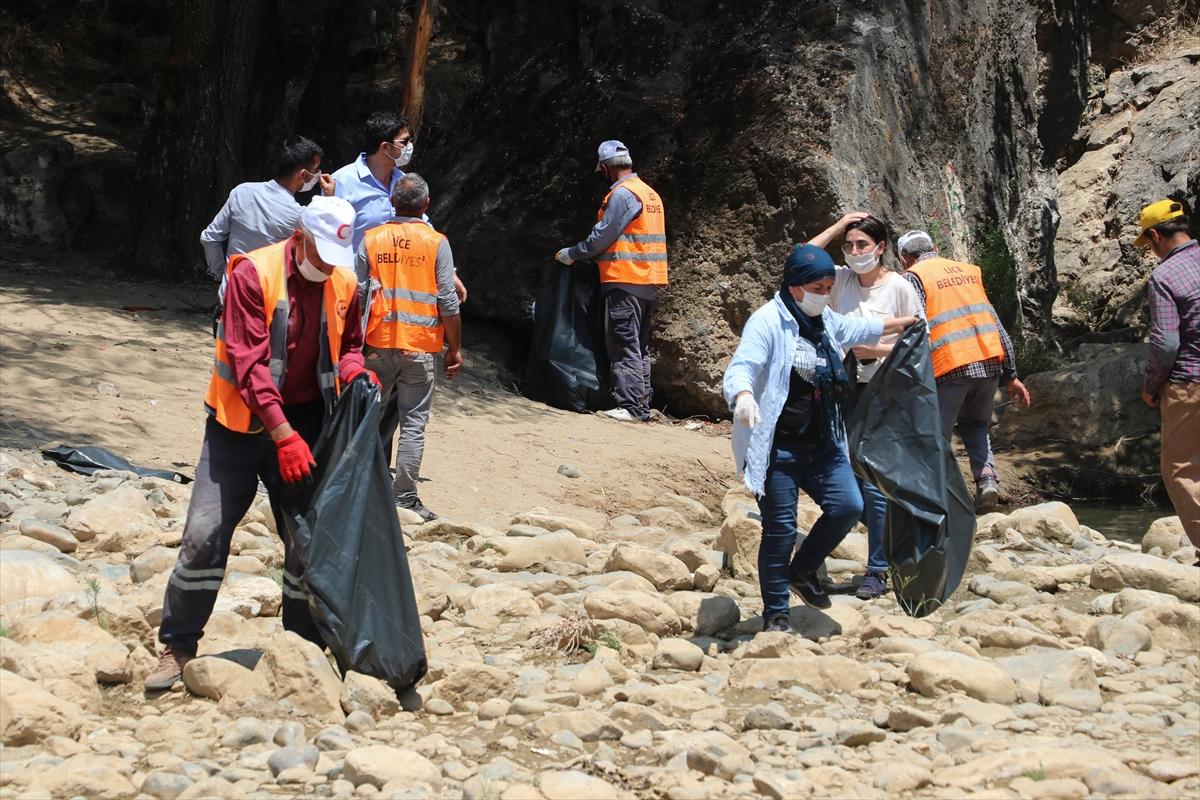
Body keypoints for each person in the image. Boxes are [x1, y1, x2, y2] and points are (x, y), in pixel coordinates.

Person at [146, 196, 376, 692]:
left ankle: (303, 648)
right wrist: (282, 434)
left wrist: (357, 373)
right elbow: (249, 366)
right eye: (318, 257)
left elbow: (352, 344)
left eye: (335, 260)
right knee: (204, 534)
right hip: (238, 427)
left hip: (307, 425)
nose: (326, 269)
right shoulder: (253, 273)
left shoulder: (344, 280)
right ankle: (178, 644)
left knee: (306, 544)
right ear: (299, 239)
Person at [722, 244, 918, 632]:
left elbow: (857, 328)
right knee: (780, 528)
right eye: (817, 285)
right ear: (795, 286)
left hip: (824, 443)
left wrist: (907, 322)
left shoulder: (825, 320)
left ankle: (803, 569)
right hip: (778, 447)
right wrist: (743, 397)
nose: (824, 293)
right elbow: (742, 365)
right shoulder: (768, 321)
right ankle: (776, 614)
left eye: (829, 286)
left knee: (848, 506)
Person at [811, 212, 922, 599]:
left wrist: (876, 348)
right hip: (841, 391)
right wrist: (839, 224)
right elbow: (804, 257)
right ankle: (888, 554)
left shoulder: (901, 288)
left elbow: (920, 342)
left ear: (881, 248)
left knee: (874, 484)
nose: (856, 252)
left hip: (885, 394)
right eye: (850, 245)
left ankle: (877, 569)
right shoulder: (840, 279)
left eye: (863, 245)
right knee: (847, 477)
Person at [897, 230, 1031, 513]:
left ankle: (938, 501)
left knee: (936, 437)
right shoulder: (969, 272)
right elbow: (994, 322)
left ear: (904, 259)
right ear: (935, 247)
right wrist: (1012, 375)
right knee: (975, 425)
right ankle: (986, 482)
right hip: (988, 363)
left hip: (948, 366)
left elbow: (918, 326)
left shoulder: (914, 277)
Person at [359, 174, 463, 521]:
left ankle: (361, 487)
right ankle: (404, 496)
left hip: (375, 344)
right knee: (413, 423)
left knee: (367, 418)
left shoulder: (371, 239)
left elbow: (357, 294)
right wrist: (455, 348)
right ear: (426, 204)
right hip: (419, 348)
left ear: (392, 203)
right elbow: (448, 301)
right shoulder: (436, 243)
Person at [555, 140, 667, 422]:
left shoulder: (622, 195)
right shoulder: (649, 193)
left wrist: (572, 254)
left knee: (623, 344)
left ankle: (630, 406)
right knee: (639, 346)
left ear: (605, 168)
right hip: (647, 281)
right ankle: (641, 405)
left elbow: (603, 236)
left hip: (625, 279)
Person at [332, 112, 466, 302]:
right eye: (404, 141)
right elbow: (328, 237)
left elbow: (424, 227)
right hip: (352, 290)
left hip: (394, 289)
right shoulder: (342, 182)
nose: (410, 146)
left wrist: (449, 274)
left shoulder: (404, 182)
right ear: (385, 147)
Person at [1136, 199, 1199, 563]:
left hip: (1189, 381)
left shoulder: (1164, 276)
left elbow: (1167, 341)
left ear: (1156, 235)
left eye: (1148, 244)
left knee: (1182, 468)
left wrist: (1150, 385)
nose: (1151, 252)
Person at [200, 135, 336, 303]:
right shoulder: (299, 215)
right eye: (315, 172)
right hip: (269, 303)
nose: (317, 177)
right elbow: (323, 249)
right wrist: (329, 200)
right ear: (303, 175)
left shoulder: (241, 192)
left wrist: (222, 276)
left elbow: (209, 238)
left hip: (231, 296)